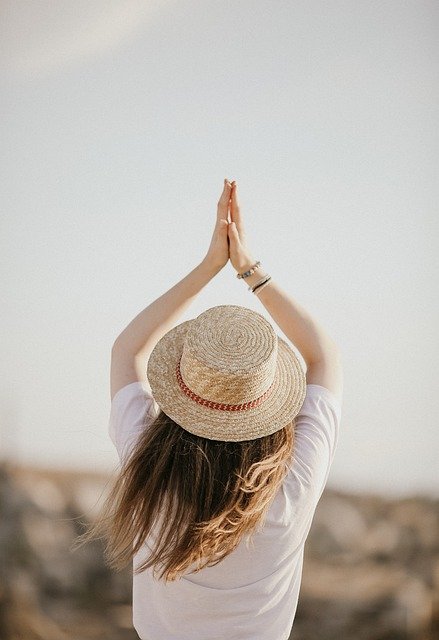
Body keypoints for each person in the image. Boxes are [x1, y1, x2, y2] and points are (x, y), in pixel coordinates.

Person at [73, 178, 343, 640]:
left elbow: (126, 350)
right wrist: (248, 268)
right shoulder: (292, 484)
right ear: (268, 403)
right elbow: (323, 356)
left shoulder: (148, 467)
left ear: (184, 389)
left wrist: (208, 266)